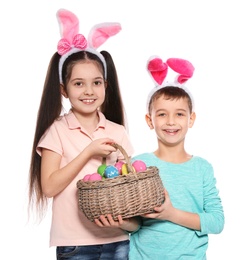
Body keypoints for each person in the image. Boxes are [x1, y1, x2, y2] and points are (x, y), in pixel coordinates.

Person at [28, 9, 139, 260]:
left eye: (96, 82)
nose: (88, 91)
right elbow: (49, 186)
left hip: (117, 240)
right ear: (64, 90)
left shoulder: (117, 131)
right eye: (78, 83)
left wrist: (129, 223)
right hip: (74, 244)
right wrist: (88, 151)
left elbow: (128, 183)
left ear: (105, 86)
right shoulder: (57, 131)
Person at [128, 56, 225, 259]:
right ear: (149, 120)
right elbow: (134, 224)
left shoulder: (201, 168)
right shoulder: (139, 164)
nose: (171, 122)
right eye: (162, 114)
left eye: (179, 114)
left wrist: (170, 213)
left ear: (191, 119)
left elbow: (216, 222)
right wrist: (118, 222)